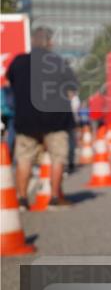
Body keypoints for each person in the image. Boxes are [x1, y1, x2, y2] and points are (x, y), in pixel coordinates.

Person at [6, 26, 77, 208]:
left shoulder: (18, 62)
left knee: (24, 159)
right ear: (50, 42)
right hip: (55, 119)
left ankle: (22, 199)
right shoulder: (58, 62)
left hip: (26, 119)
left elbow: (9, 83)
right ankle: (54, 197)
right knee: (57, 157)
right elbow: (71, 90)